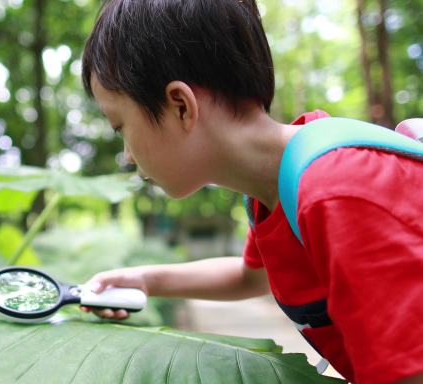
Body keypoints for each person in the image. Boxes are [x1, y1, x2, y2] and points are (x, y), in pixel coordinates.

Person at [79, 1, 423, 383]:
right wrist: (144, 280)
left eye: (120, 126)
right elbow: (251, 277)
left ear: (180, 106)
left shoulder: (337, 191)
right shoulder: (278, 187)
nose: (127, 155)